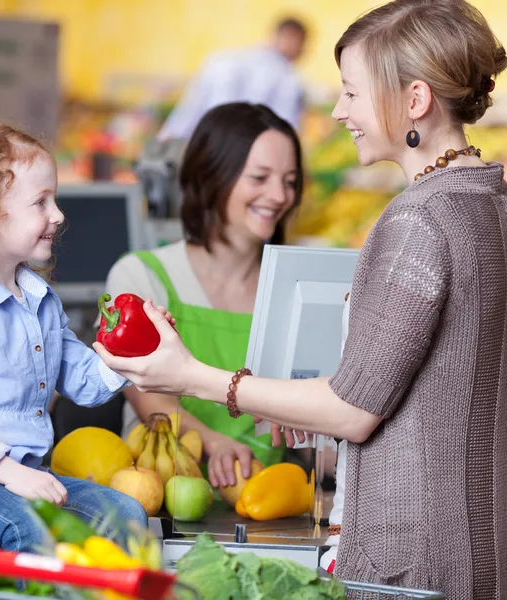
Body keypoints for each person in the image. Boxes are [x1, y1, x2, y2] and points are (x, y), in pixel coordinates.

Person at [94, 1, 507, 597]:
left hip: (417, 553)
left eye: (352, 93)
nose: (340, 112)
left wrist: (194, 376)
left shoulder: (418, 221)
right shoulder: (488, 203)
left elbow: (350, 409)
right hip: (480, 540)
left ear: (414, 101)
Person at [0, 121, 157, 553]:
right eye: (41, 202)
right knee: (29, 529)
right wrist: (10, 472)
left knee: (128, 517)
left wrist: (133, 343)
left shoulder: (40, 300)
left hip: (22, 477)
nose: (58, 215)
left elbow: (83, 381)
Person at [105, 102, 304, 488]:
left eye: (290, 181)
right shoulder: (141, 275)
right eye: (260, 177)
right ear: (212, 177)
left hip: (266, 504)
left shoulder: (292, 290)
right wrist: (212, 442)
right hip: (159, 501)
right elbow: (146, 392)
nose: (279, 195)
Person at [158, 18, 308, 141]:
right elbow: (286, 129)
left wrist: (165, 139)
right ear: (291, 37)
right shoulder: (288, 80)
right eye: (303, 44)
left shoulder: (219, 60)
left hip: (202, 149)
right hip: (245, 157)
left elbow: (188, 112)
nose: (304, 51)